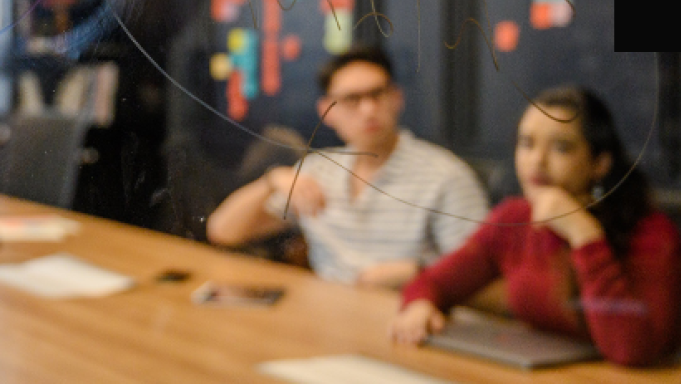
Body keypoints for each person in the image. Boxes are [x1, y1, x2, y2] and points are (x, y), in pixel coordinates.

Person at [392, 86, 681, 367]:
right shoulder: (514, 218)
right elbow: (431, 283)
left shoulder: (652, 233)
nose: (537, 161)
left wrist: (584, 234)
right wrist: (421, 305)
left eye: (560, 147)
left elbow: (631, 350)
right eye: (527, 144)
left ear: (600, 163)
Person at [206, 46, 489, 289]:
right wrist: (271, 181)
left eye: (377, 94)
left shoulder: (445, 176)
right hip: (327, 319)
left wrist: (419, 272)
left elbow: (486, 274)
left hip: (408, 320)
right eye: (352, 99)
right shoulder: (319, 170)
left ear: (396, 98)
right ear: (326, 111)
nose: (367, 110)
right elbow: (224, 232)